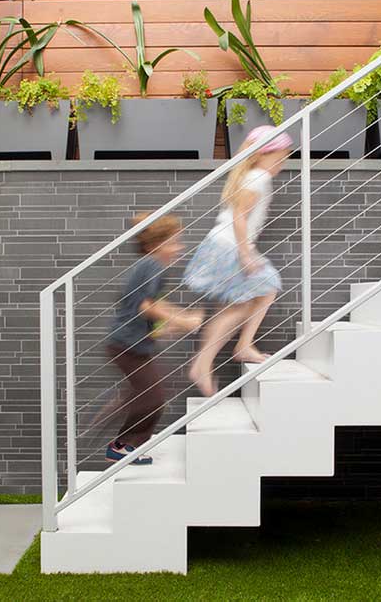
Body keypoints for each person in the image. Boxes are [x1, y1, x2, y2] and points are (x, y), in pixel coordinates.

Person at [184, 125, 291, 396]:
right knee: (262, 290)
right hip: (229, 247)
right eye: (278, 157)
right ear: (260, 155)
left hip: (225, 245)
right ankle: (213, 359)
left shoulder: (255, 177)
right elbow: (239, 217)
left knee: (243, 301)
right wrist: (245, 253)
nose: (281, 162)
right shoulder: (257, 178)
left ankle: (228, 352)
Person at [104, 212, 203, 465]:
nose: (179, 248)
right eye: (173, 242)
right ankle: (124, 445)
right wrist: (184, 321)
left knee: (148, 393)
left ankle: (125, 436)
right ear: (154, 245)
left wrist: (173, 321)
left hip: (129, 343)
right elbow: (147, 307)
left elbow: (147, 306)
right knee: (154, 397)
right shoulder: (152, 265)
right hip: (127, 345)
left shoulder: (146, 266)